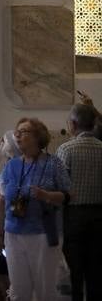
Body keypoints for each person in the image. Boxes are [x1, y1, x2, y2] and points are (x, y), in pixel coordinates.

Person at [0, 117, 70, 301]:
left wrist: (48, 196)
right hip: (13, 234)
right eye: (17, 131)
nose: (17, 135)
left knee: (45, 289)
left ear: (38, 136)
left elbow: (68, 195)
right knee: (19, 290)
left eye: (24, 131)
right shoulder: (11, 165)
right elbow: (2, 200)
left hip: (43, 233)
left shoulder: (54, 164)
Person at [56, 103, 102, 301]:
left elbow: (59, 187)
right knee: (96, 269)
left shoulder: (66, 149)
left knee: (74, 268)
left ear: (73, 124)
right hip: (100, 215)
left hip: (73, 216)